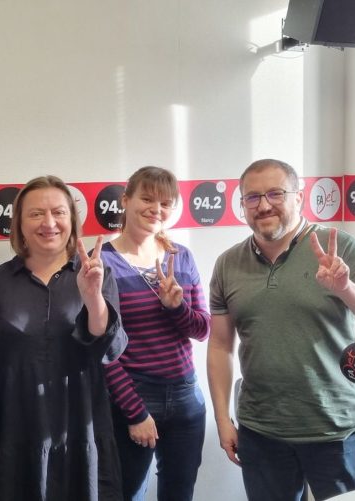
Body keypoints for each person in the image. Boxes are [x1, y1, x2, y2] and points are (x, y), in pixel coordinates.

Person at [207, 159, 355, 501]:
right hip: (260, 432)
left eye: (275, 193)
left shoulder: (338, 247)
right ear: (242, 204)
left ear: (299, 197)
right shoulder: (228, 263)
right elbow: (220, 346)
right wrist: (223, 419)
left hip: (335, 431)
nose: (263, 205)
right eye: (252, 197)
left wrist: (346, 289)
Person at [0, 175, 128, 501]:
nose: (49, 223)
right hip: (16, 436)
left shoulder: (97, 275)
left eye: (58, 212)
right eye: (36, 214)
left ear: (72, 220)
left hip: (84, 433)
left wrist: (93, 298)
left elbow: (111, 350)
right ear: (19, 224)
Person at [100, 167, 210, 501]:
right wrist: (135, 411)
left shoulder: (181, 256)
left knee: (180, 493)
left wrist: (176, 307)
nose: (156, 209)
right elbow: (101, 349)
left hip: (186, 396)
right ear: (125, 200)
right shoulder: (102, 263)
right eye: (147, 199)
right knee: (126, 493)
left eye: (165, 203)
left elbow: (203, 330)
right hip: (133, 395)